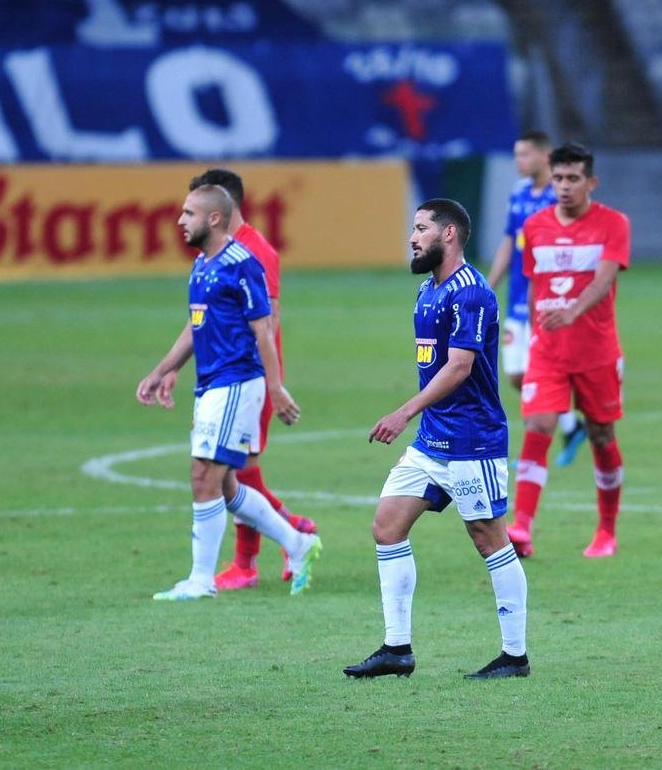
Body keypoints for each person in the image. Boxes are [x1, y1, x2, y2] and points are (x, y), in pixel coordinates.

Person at [344, 198, 529, 680]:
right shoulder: (427, 291)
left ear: (449, 234)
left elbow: (460, 367)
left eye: (422, 228)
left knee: (488, 538)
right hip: (432, 442)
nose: (412, 237)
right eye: (413, 228)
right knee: (387, 526)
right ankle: (396, 650)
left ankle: (515, 655)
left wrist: (404, 411)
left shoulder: (471, 292)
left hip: (472, 442)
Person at [136, 184, 322, 600]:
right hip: (211, 384)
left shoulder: (243, 264)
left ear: (214, 218)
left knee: (204, 474)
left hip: (237, 382)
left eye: (188, 213)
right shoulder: (202, 265)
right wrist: (163, 370)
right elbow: (196, 326)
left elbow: (264, 330)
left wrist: (276, 388)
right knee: (225, 486)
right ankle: (297, 543)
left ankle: (200, 580)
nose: (180, 221)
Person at [506, 143, 630, 559]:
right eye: (558, 178)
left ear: (590, 182)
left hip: (597, 352)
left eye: (573, 178)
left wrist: (571, 312)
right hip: (547, 352)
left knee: (601, 434)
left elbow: (604, 280)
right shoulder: (536, 227)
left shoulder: (613, 224)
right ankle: (521, 527)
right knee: (538, 427)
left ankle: (606, 531)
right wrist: (524, 329)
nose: (563, 186)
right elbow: (532, 284)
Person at [487, 130, 587, 468]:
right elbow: (508, 240)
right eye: (516, 155)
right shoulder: (518, 193)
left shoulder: (559, 200)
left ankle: (534, 453)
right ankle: (572, 424)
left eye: (524, 155)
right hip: (517, 297)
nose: (519, 162)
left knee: (541, 375)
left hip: (547, 303)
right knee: (517, 375)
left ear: (545, 157)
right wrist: (489, 285)